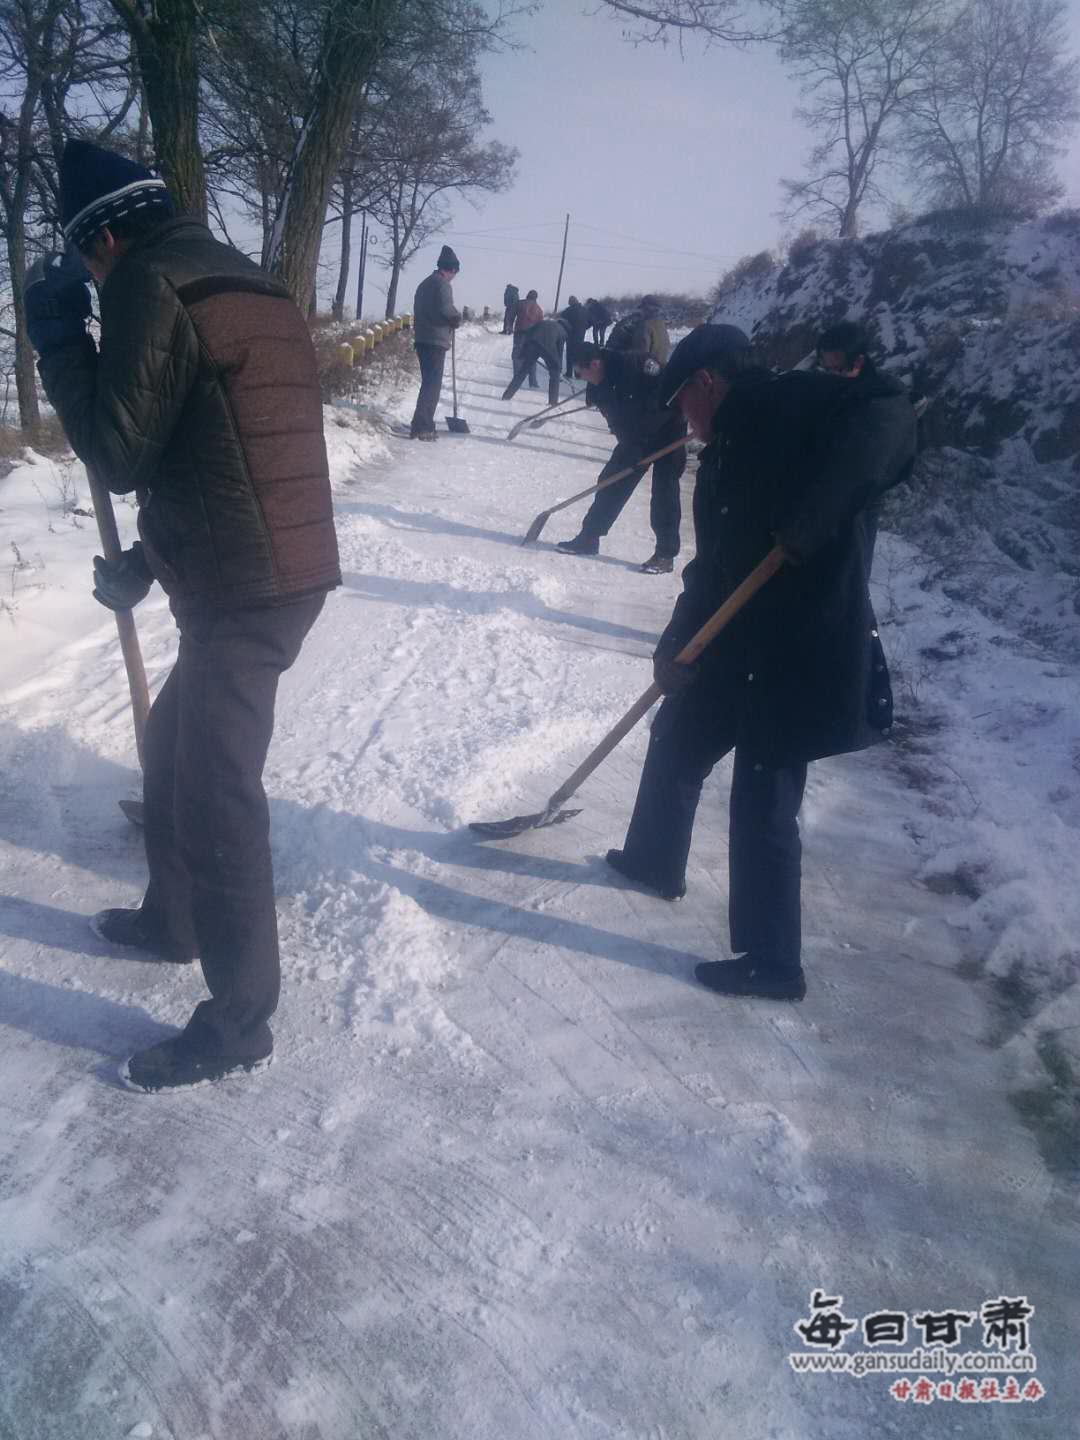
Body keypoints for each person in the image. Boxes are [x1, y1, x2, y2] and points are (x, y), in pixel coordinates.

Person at [23, 139, 341, 1090]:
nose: (89, 274)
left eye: (86, 261)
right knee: (171, 745)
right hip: (271, 568)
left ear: (105, 236)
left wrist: (59, 345)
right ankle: (175, 919)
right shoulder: (247, 280)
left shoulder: (144, 280)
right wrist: (144, 563)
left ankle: (241, 1021)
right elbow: (217, 453)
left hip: (247, 589)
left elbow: (120, 452)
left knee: (218, 794)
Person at [604, 323, 916, 1001]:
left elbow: (890, 412)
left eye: (682, 399)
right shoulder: (720, 454)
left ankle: (776, 964)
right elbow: (712, 566)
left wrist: (818, 515)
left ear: (708, 383)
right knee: (678, 737)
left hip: (799, 647)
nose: (681, 416)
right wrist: (675, 645)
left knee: (762, 800)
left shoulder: (790, 401)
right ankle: (654, 862)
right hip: (735, 639)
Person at [556, 340, 687, 573]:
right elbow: (616, 420)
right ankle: (589, 538)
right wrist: (631, 443)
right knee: (610, 481)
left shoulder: (637, 364)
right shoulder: (598, 386)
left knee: (664, 492)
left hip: (669, 432)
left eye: (581, 372)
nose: (581, 377)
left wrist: (646, 434)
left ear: (595, 364)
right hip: (636, 439)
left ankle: (665, 555)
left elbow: (670, 394)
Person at [409, 244, 461, 440]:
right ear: (451, 269)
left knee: (427, 383)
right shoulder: (443, 285)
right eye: (455, 272)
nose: (454, 277)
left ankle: (420, 423)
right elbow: (447, 310)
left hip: (422, 338)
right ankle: (422, 427)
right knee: (432, 385)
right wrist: (456, 318)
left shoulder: (424, 283)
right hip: (435, 341)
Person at [502, 314, 569, 407]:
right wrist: (558, 368)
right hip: (547, 347)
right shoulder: (562, 331)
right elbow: (560, 351)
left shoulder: (545, 322)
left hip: (532, 343)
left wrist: (524, 352)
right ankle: (553, 402)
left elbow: (529, 332)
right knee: (554, 374)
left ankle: (507, 395)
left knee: (523, 371)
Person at [513, 288, 544, 388]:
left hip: (519, 332)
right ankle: (533, 381)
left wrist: (509, 325)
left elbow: (511, 314)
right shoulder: (539, 309)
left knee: (517, 356)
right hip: (532, 336)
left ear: (528, 295)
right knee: (532, 357)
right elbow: (540, 325)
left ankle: (517, 380)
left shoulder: (520, 303)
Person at [558, 295, 589, 378]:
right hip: (581, 336)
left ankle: (569, 373)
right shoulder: (584, 310)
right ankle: (578, 374)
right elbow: (589, 322)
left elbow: (561, 319)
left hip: (571, 335)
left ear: (571, 302)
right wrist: (584, 329)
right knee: (578, 355)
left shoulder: (569, 310)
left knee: (570, 355)